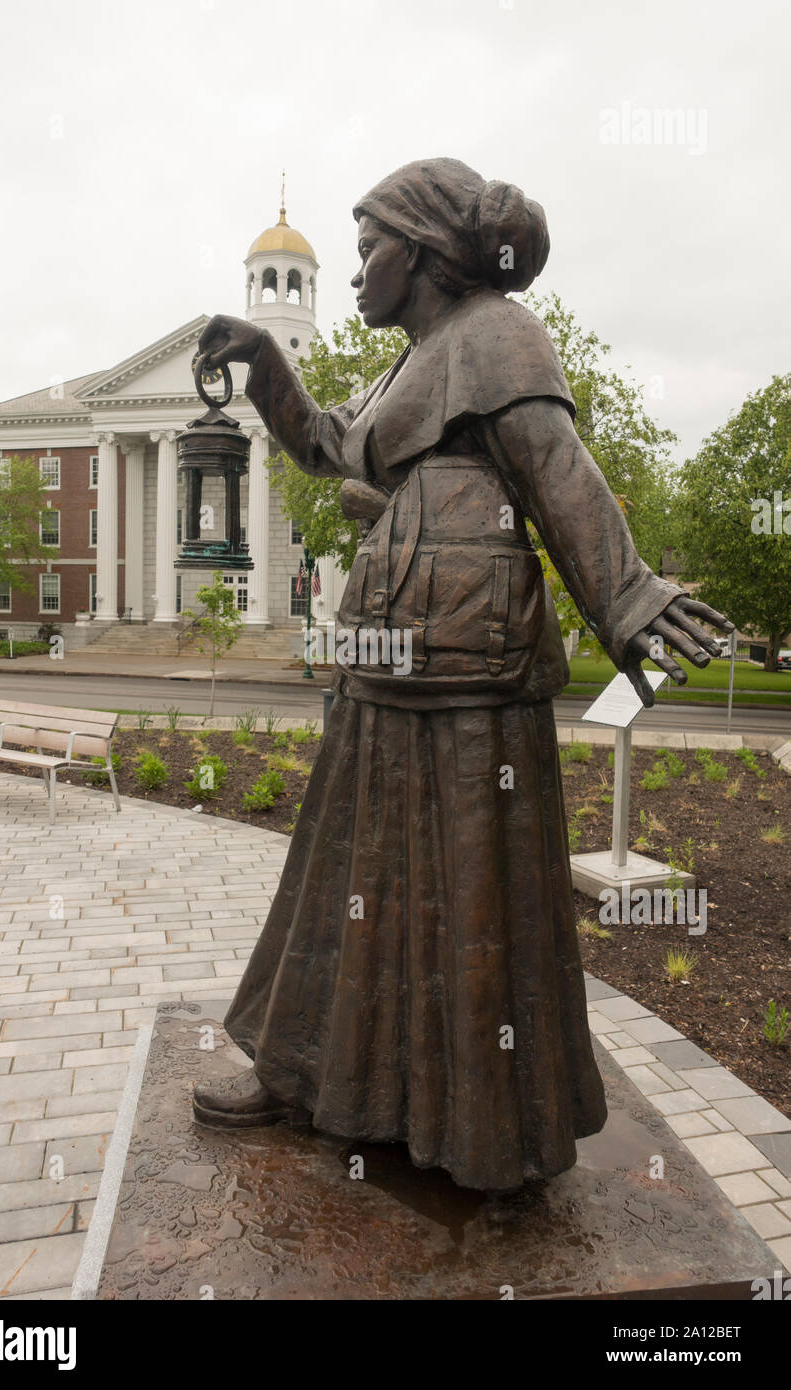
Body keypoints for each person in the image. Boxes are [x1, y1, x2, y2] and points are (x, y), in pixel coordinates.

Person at [191, 158, 731, 1192]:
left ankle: (482, 1126)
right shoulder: (410, 364)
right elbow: (324, 445)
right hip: (382, 669)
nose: (354, 276)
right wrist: (263, 361)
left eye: (366, 252)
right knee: (345, 881)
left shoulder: (496, 339)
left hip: (473, 678)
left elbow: (558, 473)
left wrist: (625, 595)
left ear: (424, 253)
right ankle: (314, 1080)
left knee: (473, 899)